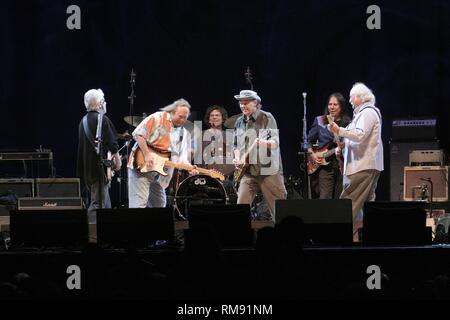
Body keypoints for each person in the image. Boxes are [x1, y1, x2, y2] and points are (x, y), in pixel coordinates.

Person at [328, 83, 383, 241]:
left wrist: (339, 130)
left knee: (348, 203)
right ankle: (361, 239)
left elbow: (359, 135)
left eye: (352, 97)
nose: (350, 100)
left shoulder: (367, 113)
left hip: (362, 166)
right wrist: (344, 147)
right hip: (364, 165)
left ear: (360, 97)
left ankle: (337, 238)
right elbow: (357, 137)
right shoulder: (362, 114)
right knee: (366, 206)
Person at [127, 98, 198, 208]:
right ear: (173, 112)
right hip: (142, 167)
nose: (183, 120)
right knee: (139, 205)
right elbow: (138, 134)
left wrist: (189, 167)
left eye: (185, 117)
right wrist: (147, 154)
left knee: (159, 205)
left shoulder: (184, 134)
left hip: (160, 174)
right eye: (180, 116)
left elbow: (181, 158)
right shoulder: (158, 117)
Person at [233, 90, 287, 221]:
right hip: (248, 172)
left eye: (246, 103)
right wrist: (237, 158)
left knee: (279, 209)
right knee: (241, 207)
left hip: (268, 171)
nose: (243, 106)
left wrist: (261, 141)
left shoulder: (266, 118)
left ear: (255, 103)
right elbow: (236, 145)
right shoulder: (239, 122)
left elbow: (275, 143)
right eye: (241, 103)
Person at [77, 88, 121, 223]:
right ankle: (92, 236)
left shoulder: (82, 121)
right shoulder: (103, 120)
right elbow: (113, 145)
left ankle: (105, 234)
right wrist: (118, 163)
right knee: (97, 205)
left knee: (105, 205)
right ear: (101, 103)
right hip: (99, 171)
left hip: (87, 171)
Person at [307, 93, 351, 199]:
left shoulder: (348, 123)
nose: (331, 107)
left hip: (342, 166)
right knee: (325, 198)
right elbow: (307, 140)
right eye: (330, 104)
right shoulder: (320, 120)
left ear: (341, 106)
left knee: (341, 199)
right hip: (324, 167)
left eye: (335, 104)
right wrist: (312, 154)